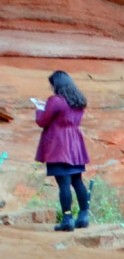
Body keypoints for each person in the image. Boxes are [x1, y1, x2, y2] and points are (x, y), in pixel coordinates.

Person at [33, 70, 91, 232]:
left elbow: (42, 121)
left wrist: (39, 109)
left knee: (63, 183)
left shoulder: (56, 101)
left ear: (57, 84)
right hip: (75, 145)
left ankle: (67, 219)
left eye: (52, 84)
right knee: (77, 181)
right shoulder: (78, 100)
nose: (51, 88)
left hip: (58, 145)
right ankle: (84, 215)